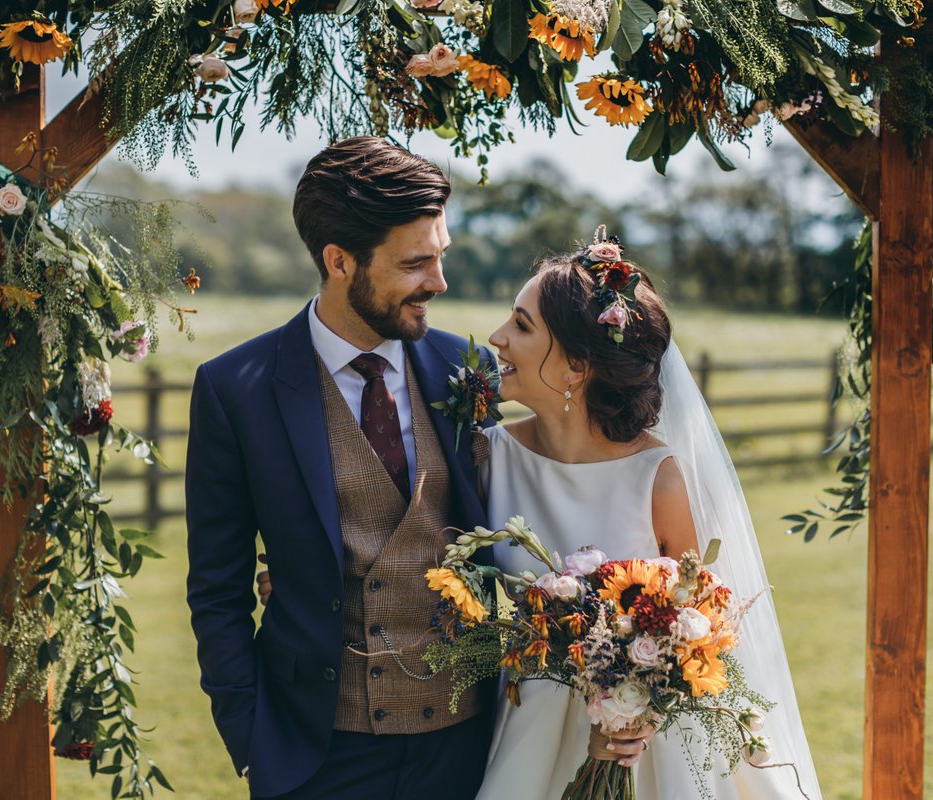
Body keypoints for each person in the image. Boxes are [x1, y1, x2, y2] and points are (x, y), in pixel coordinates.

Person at [185, 138, 648, 800]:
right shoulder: (236, 389)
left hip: (470, 747)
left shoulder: (471, 370)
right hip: (315, 754)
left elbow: (573, 472)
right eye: (415, 262)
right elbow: (216, 589)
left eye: (441, 255)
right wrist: (252, 736)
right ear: (339, 261)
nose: (439, 281)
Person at [472, 249, 823, 799]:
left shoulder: (655, 478)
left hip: (643, 751)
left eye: (521, 325)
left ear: (577, 367)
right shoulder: (488, 458)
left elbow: (703, 628)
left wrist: (642, 710)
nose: (496, 337)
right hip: (526, 731)